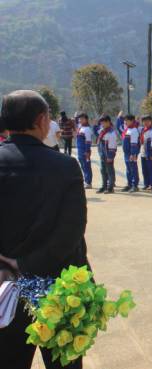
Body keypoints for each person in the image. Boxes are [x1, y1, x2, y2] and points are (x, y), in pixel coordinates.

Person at [0, 90, 89, 369]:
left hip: (5, 290)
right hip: (59, 289)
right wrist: (27, 263)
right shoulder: (64, 166)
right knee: (65, 363)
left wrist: (11, 263)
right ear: (41, 120)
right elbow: (71, 231)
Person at [96, 115, 117, 194]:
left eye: (104, 122)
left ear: (108, 122)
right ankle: (104, 186)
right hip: (102, 153)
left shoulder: (111, 133)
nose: (102, 124)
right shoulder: (102, 131)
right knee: (102, 170)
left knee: (109, 170)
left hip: (108, 154)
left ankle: (110, 187)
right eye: (101, 122)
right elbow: (96, 132)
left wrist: (110, 156)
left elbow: (113, 146)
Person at [121, 114, 140, 192]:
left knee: (133, 169)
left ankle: (135, 185)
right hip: (126, 153)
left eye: (127, 121)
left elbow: (134, 143)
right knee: (128, 169)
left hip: (131, 154)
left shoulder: (134, 130)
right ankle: (129, 184)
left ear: (132, 121)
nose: (125, 122)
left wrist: (133, 154)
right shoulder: (127, 130)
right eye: (125, 120)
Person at [140, 115, 152, 191]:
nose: (146, 123)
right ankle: (146, 184)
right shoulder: (143, 130)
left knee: (151, 169)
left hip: (149, 153)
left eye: (147, 121)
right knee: (144, 170)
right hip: (143, 153)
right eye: (144, 121)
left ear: (151, 122)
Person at [75, 113, 93, 189]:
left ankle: (88, 182)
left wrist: (87, 151)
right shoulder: (81, 127)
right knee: (83, 166)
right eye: (79, 119)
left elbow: (88, 141)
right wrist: (76, 116)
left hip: (85, 151)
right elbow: (76, 122)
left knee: (87, 166)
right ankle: (86, 181)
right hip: (80, 150)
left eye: (82, 119)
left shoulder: (87, 129)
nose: (80, 120)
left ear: (86, 119)